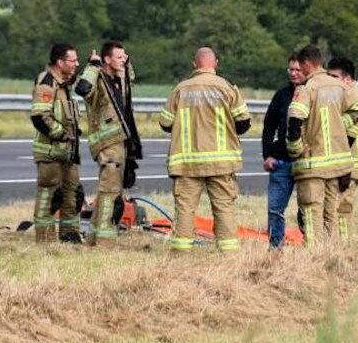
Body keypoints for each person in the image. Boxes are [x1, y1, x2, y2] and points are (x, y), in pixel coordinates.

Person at [158, 47, 251, 252]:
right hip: (221, 162)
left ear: (194, 64)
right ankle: (229, 256)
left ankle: (181, 254)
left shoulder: (180, 89)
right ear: (215, 63)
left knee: (185, 209)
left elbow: (165, 123)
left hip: (187, 163)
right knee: (224, 208)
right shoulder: (227, 88)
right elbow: (244, 123)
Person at [286, 45, 358, 247]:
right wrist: (342, 126)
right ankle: (331, 253)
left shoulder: (307, 88)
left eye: (300, 68)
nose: (299, 72)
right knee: (330, 213)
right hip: (337, 165)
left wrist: (295, 148)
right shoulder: (339, 86)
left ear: (306, 64)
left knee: (312, 210)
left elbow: (295, 119)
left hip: (313, 163)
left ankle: (313, 255)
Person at [74, 41, 142, 244]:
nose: (124, 59)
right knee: (110, 193)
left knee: (108, 193)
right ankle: (105, 242)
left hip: (120, 143)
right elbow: (83, 89)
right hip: (107, 144)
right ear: (106, 59)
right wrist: (93, 66)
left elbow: (130, 76)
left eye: (125, 56)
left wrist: (125, 61)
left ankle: (93, 238)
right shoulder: (97, 81)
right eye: (119, 57)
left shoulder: (118, 80)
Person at [29, 43, 82, 243]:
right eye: (73, 60)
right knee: (48, 197)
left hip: (67, 153)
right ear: (60, 62)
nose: (77, 64)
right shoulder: (47, 81)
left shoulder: (64, 82)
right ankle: (45, 241)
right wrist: (61, 134)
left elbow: (82, 84)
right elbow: (39, 116)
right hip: (51, 153)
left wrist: (94, 67)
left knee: (71, 196)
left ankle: (69, 237)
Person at [262, 53, 305, 248]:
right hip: (280, 161)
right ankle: (275, 249)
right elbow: (268, 126)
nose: (294, 73)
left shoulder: (312, 94)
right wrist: (267, 154)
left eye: (298, 70)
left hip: (306, 162)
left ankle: (312, 247)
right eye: (291, 69)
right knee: (275, 209)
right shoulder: (281, 95)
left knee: (306, 210)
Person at [327, 56, 358, 242]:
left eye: (334, 77)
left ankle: (342, 246)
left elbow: (345, 134)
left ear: (347, 79)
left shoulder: (355, 98)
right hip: (344, 163)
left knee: (341, 209)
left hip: (349, 164)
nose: (330, 82)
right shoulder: (345, 95)